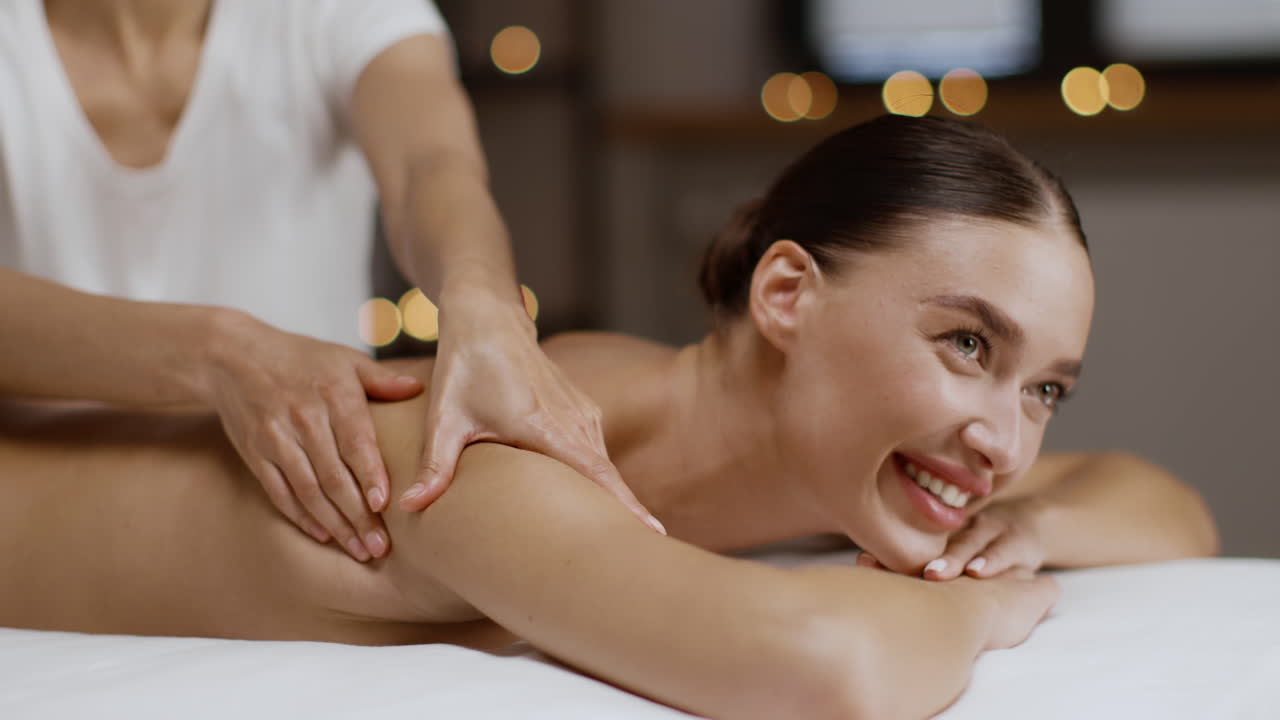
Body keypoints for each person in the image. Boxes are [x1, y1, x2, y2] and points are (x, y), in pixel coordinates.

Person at [0, 116, 1218, 720]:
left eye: (1044, 388)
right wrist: (996, 602)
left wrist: (1030, 528)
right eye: (966, 344)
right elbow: (822, 666)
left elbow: (1168, 510)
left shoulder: (841, 447)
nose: (1006, 442)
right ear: (785, 295)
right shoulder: (494, 453)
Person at [0, 0, 660, 565]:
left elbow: (431, 164)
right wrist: (221, 354)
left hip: (305, 509)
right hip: (43, 510)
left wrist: (481, 300)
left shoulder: (331, 12)